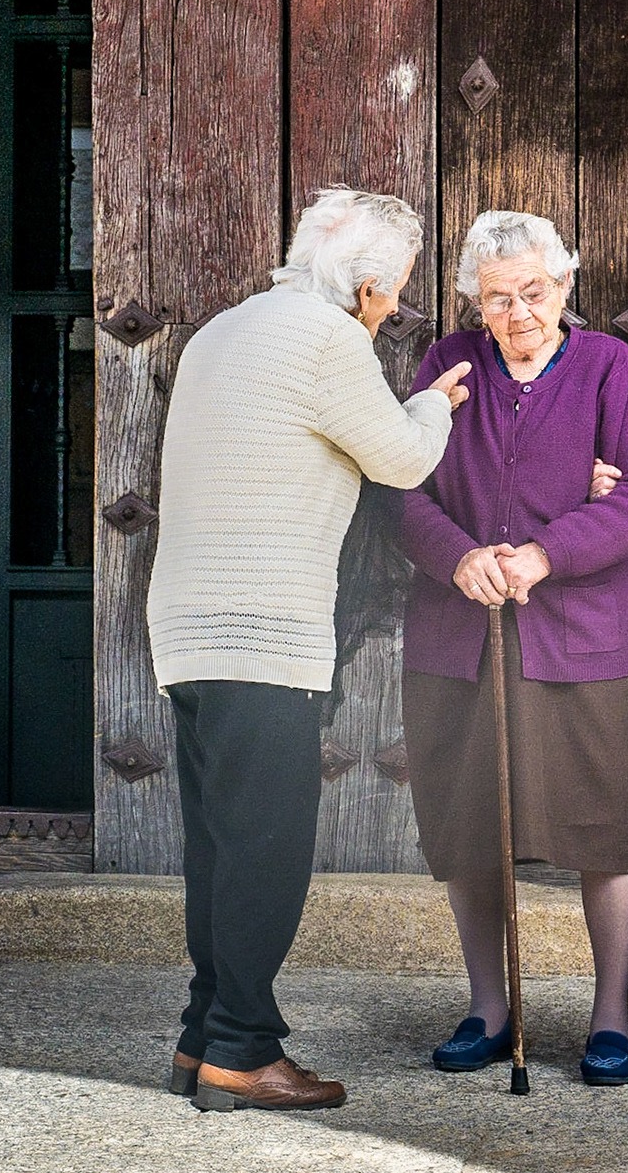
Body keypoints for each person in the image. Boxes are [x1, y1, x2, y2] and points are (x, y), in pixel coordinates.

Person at [146, 188, 472, 1112]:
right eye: (395, 294)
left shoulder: (221, 329)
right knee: (267, 848)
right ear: (368, 287)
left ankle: (200, 1037)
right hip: (264, 634)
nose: (392, 308)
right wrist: (434, 404)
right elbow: (403, 458)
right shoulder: (328, 340)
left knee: (218, 843)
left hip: (190, 630)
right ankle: (243, 1051)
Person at [399, 211, 628, 1086]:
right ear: (476, 301)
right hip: (462, 633)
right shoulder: (447, 364)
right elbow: (402, 484)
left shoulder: (607, 367)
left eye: (534, 293)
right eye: (497, 298)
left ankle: (610, 1017)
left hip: (583, 633)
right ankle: (488, 1005)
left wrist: (550, 552)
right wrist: (460, 556)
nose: (517, 314)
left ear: (565, 288)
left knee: (604, 822)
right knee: (471, 819)